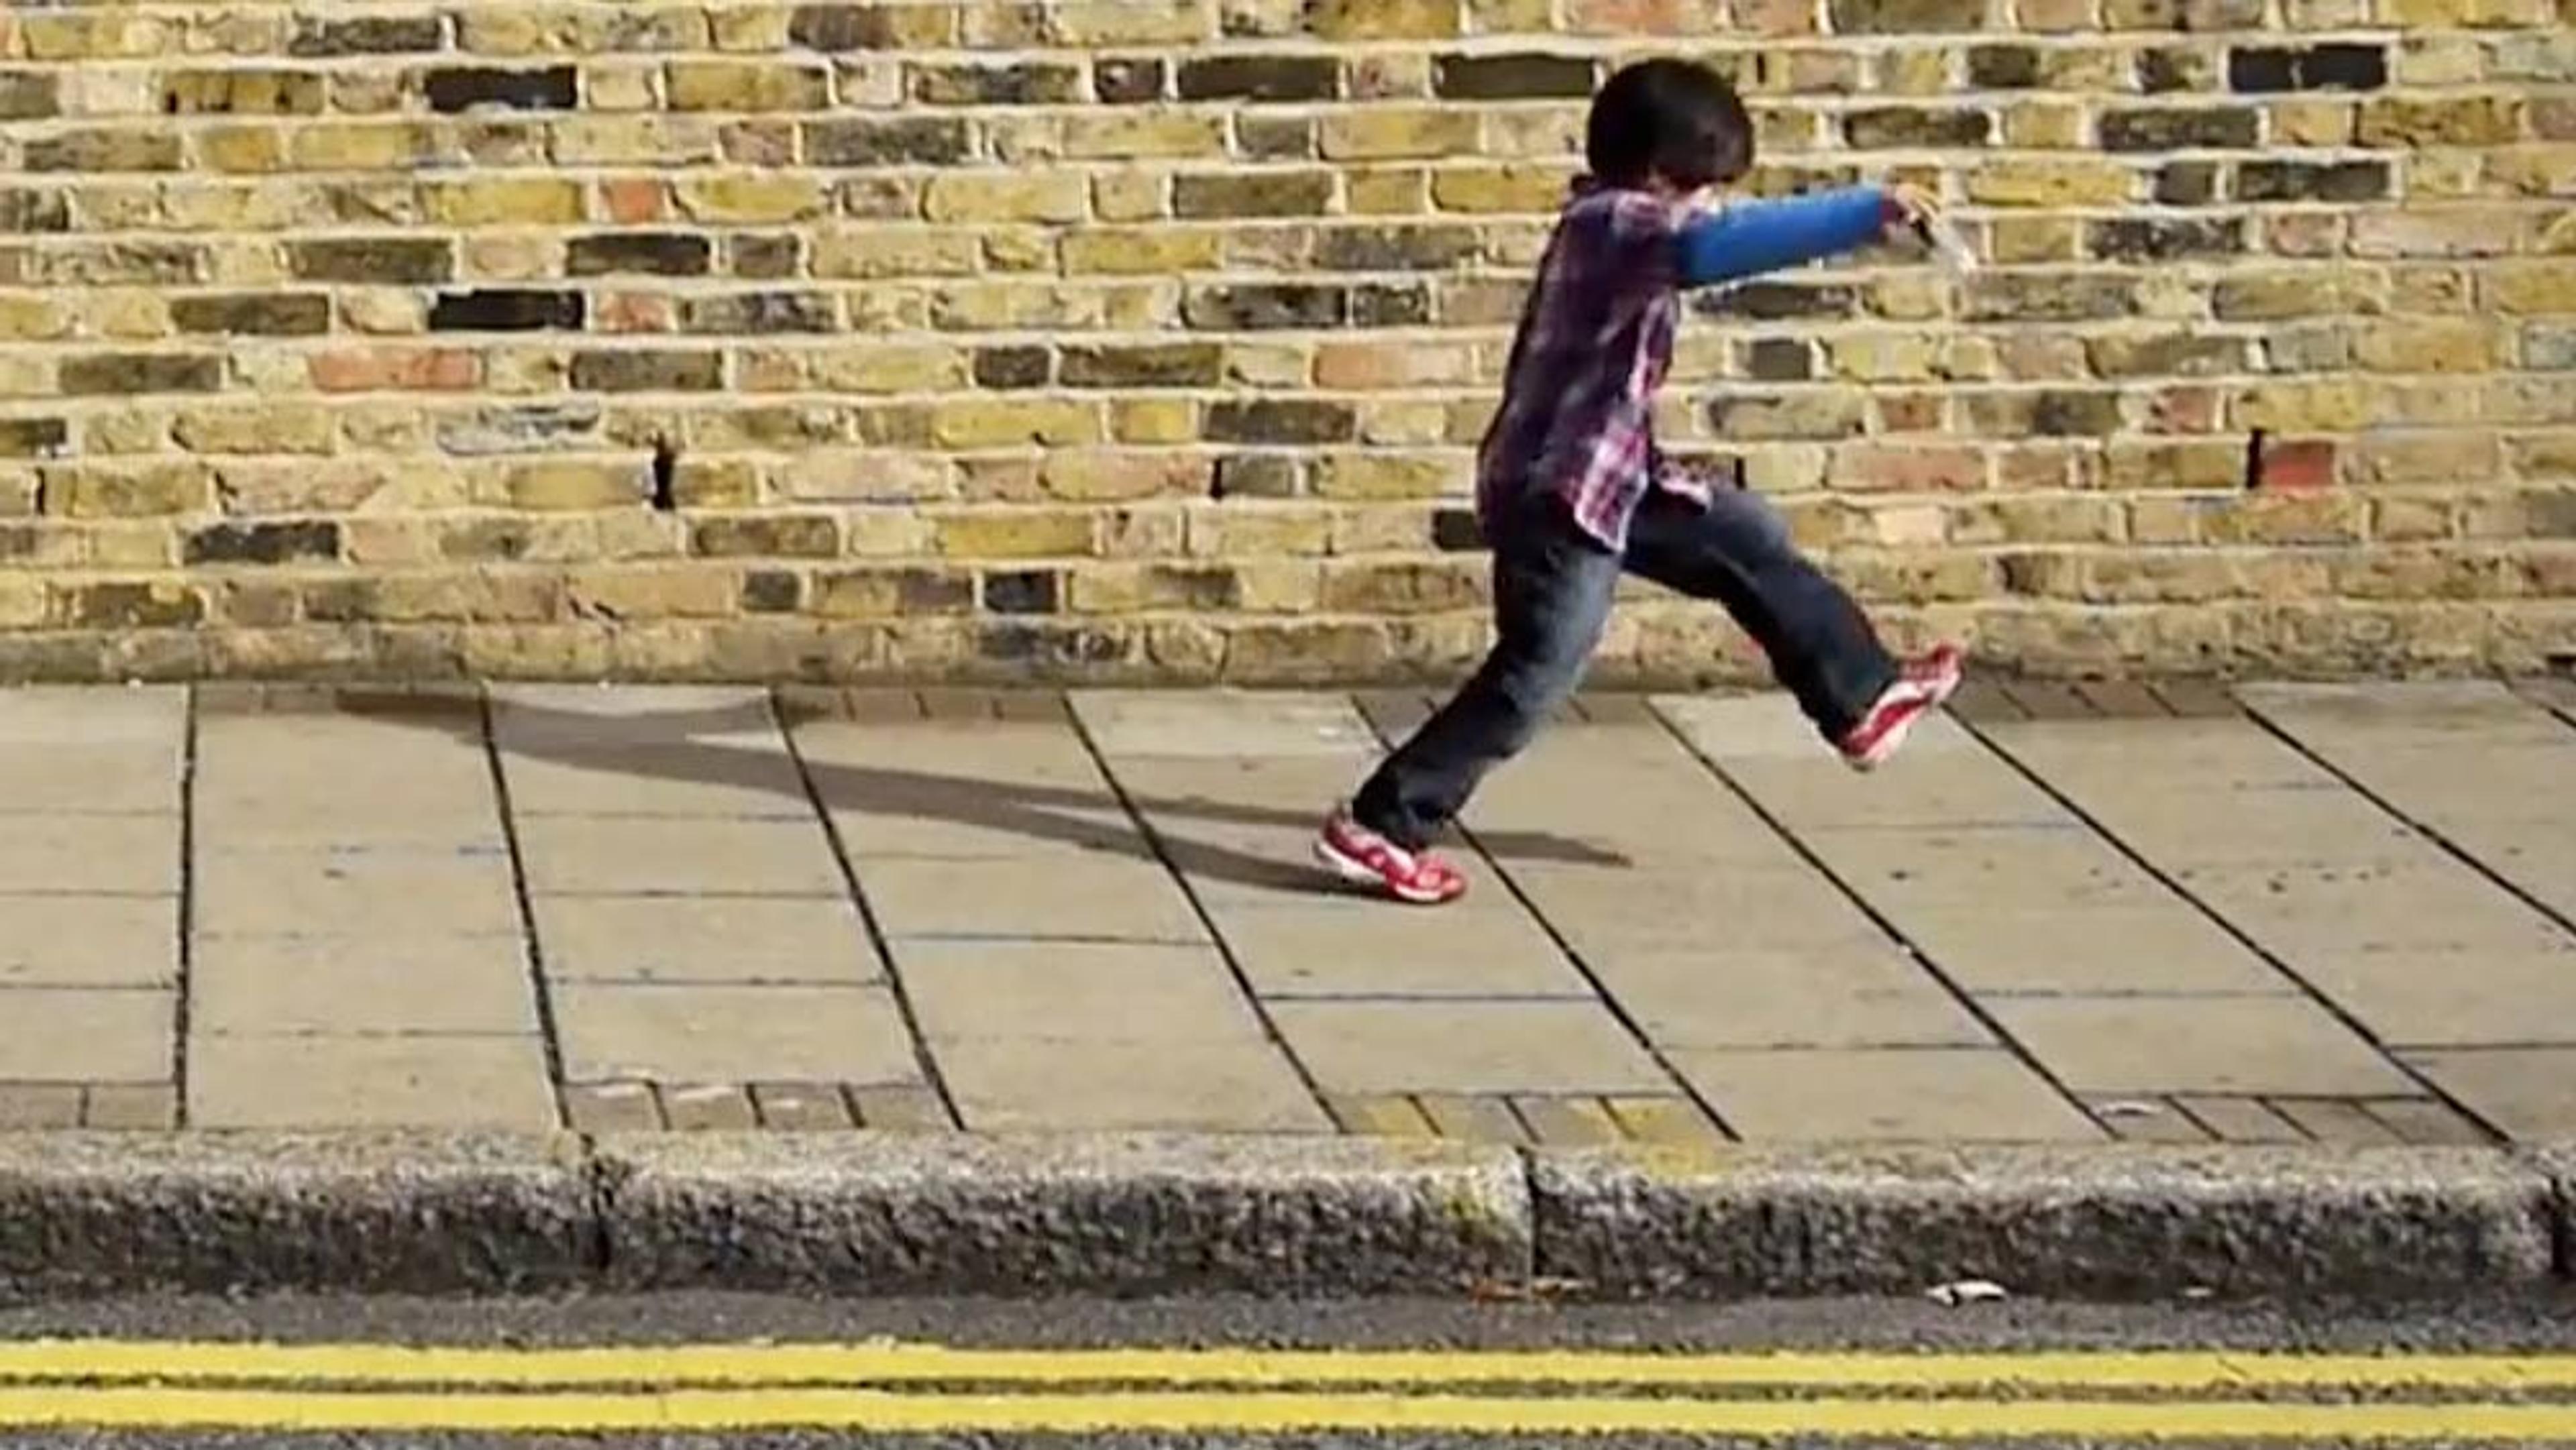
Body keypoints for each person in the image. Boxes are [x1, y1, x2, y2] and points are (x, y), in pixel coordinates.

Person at [1315, 57, 1966, 907]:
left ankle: (1862, 696)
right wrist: (1862, 210)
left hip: (1616, 478)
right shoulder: (1616, 223)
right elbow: (1711, 248)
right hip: (1561, 499)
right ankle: (1384, 822)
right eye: (1702, 188)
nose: (1711, 206)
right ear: (1660, 176)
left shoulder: (1621, 221)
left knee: (1741, 534)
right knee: (1534, 676)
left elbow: (1710, 237)